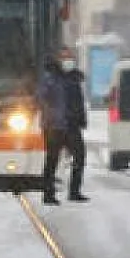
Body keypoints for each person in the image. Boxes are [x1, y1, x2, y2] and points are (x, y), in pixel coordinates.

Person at [37, 51, 88, 205]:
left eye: (69, 58)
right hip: (55, 126)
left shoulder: (73, 78)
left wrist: (81, 119)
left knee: (79, 156)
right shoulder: (50, 78)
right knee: (52, 160)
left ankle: (74, 191)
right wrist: (52, 115)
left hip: (72, 125)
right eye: (64, 59)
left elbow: (78, 101)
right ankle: (48, 194)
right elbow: (40, 98)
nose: (68, 61)